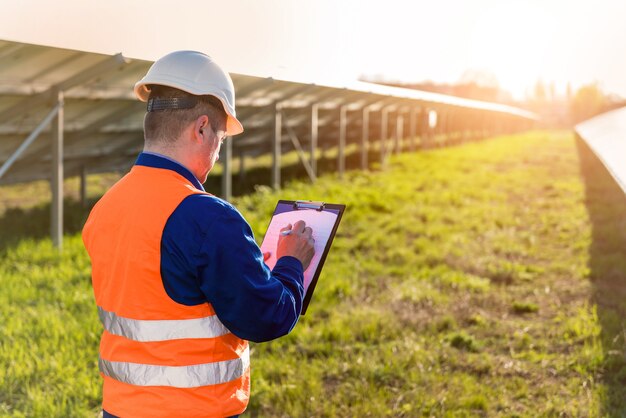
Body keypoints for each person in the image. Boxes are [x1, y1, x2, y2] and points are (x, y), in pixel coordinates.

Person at [82, 50, 315, 418]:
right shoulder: (209, 218)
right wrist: (291, 262)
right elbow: (268, 316)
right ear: (202, 128)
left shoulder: (105, 207)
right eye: (220, 140)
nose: (218, 154)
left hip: (119, 409)